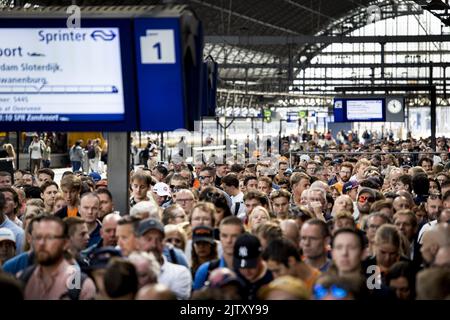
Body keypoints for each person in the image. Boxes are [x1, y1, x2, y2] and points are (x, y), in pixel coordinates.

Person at [21, 215, 96, 300]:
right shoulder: (24, 278)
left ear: (65, 243)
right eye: (38, 237)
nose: (41, 243)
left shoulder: (79, 284)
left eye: (50, 237)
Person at [136, 218, 192, 299]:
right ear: (137, 242)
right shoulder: (128, 269)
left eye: (159, 239)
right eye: (148, 239)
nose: (154, 245)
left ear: (164, 243)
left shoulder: (179, 273)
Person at [192, 216, 245, 291]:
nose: (229, 240)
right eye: (224, 236)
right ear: (219, 237)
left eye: (234, 236)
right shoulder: (205, 270)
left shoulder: (251, 270)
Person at [233, 233, 273, 300]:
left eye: (250, 265)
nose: (246, 271)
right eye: (242, 266)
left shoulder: (272, 276)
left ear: (260, 257)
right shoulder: (234, 277)